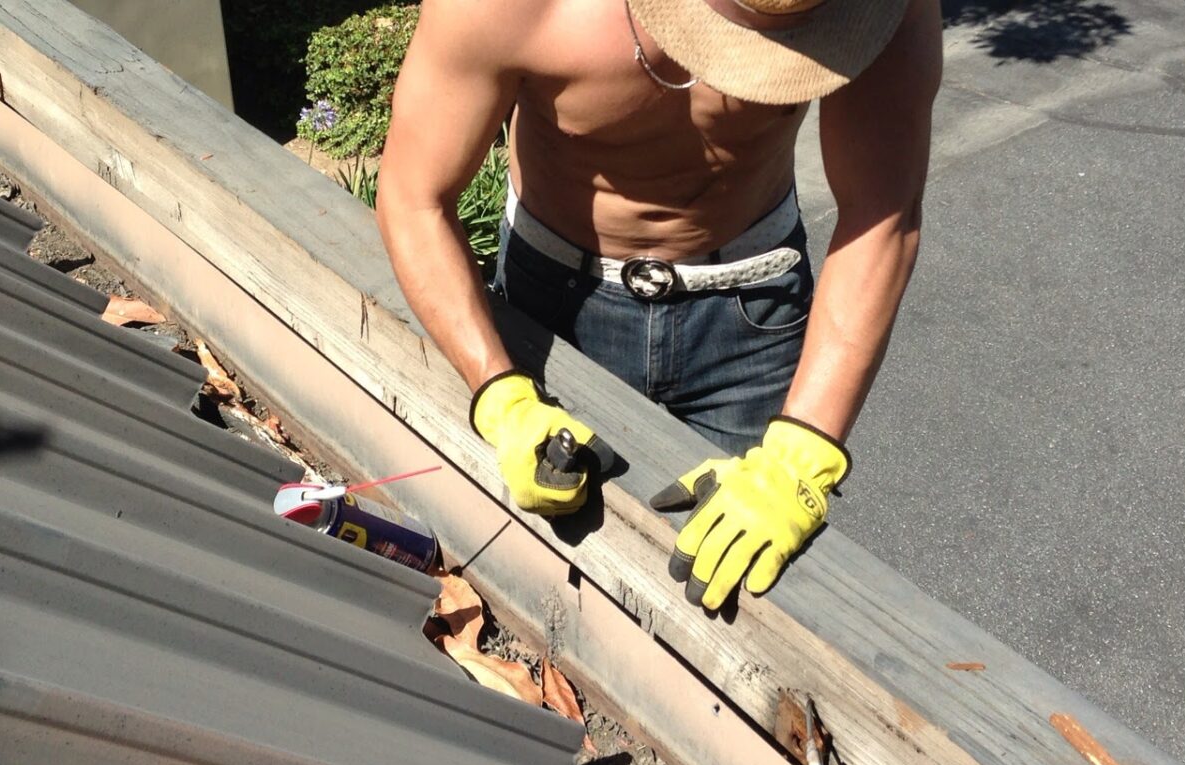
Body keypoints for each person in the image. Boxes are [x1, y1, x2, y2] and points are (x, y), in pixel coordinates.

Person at [376, 0, 942, 609]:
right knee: (543, 581)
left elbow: (883, 214)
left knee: (748, 595)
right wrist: (501, 396)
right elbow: (415, 196)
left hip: (752, 310)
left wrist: (802, 454)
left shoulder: (881, 10)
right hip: (556, 302)